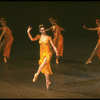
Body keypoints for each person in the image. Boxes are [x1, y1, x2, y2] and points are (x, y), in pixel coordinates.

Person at [27, 24, 58, 89]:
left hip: (48, 53)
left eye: (44, 30)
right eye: (42, 30)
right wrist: (28, 32)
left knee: (44, 63)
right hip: (42, 53)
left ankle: (36, 74)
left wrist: (56, 52)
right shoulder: (39, 36)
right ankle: (47, 81)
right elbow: (32, 39)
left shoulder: (49, 37)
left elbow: (53, 46)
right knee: (46, 67)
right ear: (40, 31)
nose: (43, 31)